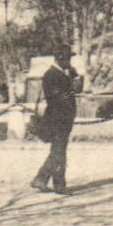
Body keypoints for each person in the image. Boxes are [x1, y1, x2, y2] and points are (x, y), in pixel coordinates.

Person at [31, 47, 78, 192]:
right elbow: (59, 97)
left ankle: (41, 179)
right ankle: (58, 185)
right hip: (57, 119)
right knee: (59, 152)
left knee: (57, 151)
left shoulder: (60, 74)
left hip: (61, 119)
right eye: (68, 58)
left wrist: (72, 77)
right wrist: (71, 89)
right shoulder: (52, 75)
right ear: (60, 58)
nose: (69, 62)